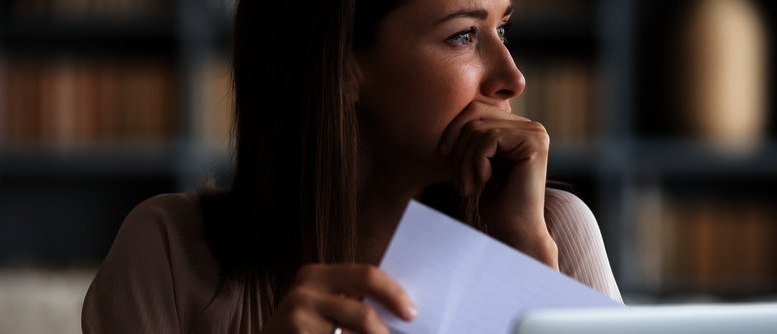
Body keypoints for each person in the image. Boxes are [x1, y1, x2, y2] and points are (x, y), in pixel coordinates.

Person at [81, 0, 622, 333]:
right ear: (340, 66)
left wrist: (529, 268)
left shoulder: (556, 232)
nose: (513, 76)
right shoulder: (168, 254)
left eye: (503, 29)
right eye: (463, 35)